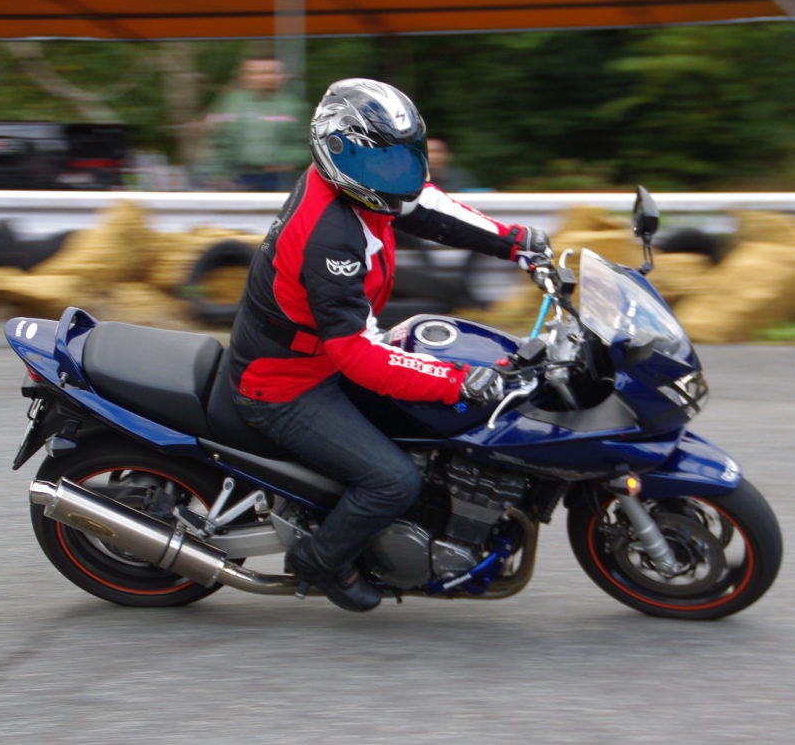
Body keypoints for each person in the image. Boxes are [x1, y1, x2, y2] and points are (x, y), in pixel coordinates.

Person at [228, 78, 551, 612]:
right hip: (284, 383)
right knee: (393, 481)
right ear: (338, 152)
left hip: (320, 355)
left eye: (405, 157)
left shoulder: (362, 183)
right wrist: (457, 382)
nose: (399, 173)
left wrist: (516, 242)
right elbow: (356, 354)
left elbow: (427, 205)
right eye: (384, 161)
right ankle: (318, 560)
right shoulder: (331, 236)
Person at [196, 57, 310, 192]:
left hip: (280, 178)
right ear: (246, 76)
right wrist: (217, 173)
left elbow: (307, 145)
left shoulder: (295, 107)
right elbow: (215, 141)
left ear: (282, 76)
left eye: (271, 72)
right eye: (257, 73)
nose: (265, 77)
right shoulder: (230, 104)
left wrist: (286, 160)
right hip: (235, 177)